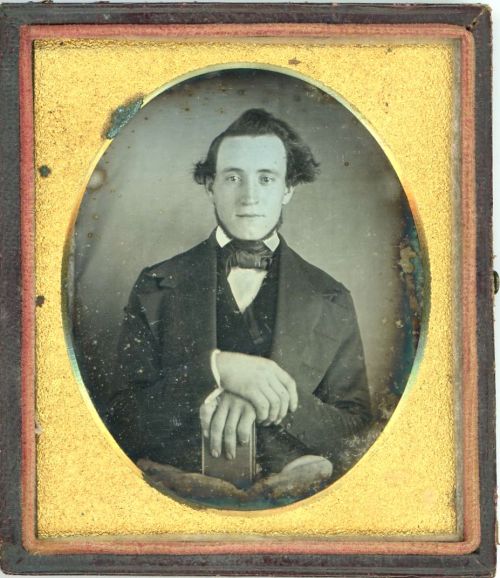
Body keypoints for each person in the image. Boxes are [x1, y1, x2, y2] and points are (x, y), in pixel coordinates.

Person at [107, 109, 372, 505]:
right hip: (174, 506)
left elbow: (357, 437)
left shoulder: (332, 297)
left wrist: (266, 393)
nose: (249, 197)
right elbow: (121, 424)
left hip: (294, 511)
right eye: (232, 178)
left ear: (288, 189)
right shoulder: (155, 284)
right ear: (210, 185)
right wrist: (216, 371)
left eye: (266, 178)